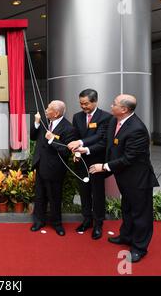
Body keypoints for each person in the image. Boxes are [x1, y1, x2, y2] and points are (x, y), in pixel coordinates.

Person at [89, 94, 159, 263]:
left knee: (140, 214)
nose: (111, 105)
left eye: (114, 103)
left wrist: (104, 167)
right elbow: (108, 143)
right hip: (124, 178)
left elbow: (129, 158)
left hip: (138, 180)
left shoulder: (137, 129)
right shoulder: (115, 121)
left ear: (124, 109)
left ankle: (139, 248)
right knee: (127, 209)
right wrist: (84, 148)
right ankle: (126, 236)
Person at [67, 89, 113, 239]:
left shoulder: (106, 117)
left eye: (86, 103)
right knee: (84, 192)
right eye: (81, 103)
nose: (83, 106)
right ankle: (87, 219)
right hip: (81, 162)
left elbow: (101, 139)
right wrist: (77, 153)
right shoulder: (77, 117)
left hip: (96, 162)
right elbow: (75, 136)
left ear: (95, 101)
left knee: (97, 193)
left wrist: (82, 146)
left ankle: (98, 223)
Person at [30, 100, 76, 236]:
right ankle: (39, 221)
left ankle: (57, 223)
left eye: (48, 108)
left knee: (54, 197)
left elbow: (67, 151)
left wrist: (52, 139)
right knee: (39, 196)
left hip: (55, 169)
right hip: (40, 164)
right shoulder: (45, 122)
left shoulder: (68, 128)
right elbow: (33, 137)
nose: (45, 110)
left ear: (56, 113)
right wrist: (36, 123)